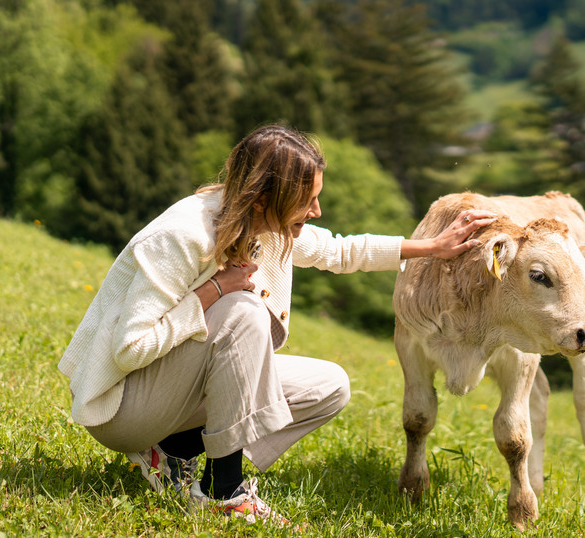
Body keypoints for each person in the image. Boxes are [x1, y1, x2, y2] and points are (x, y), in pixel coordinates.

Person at [57, 125, 496, 526]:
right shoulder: (181, 237)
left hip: (170, 396)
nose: (317, 211)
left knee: (329, 386)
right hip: (125, 409)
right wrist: (215, 290)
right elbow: (130, 348)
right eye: (307, 201)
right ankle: (224, 492)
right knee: (243, 310)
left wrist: (433, 247)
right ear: (264, 199)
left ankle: (173, 452)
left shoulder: (264, 225)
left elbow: (340, 251)